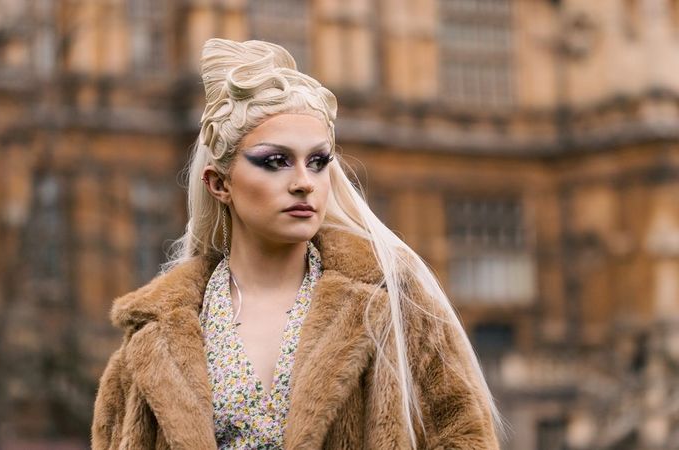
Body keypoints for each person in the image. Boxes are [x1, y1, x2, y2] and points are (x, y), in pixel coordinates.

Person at [91, 38, 505, 449]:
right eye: (276, 161)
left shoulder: (394, 305)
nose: (305, 183)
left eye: (318, 162)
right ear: (219, 183)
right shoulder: (153, 335)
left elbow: (463, 437)